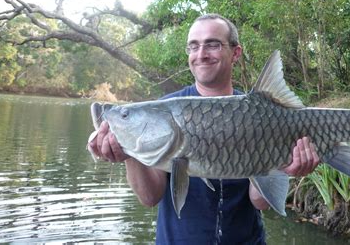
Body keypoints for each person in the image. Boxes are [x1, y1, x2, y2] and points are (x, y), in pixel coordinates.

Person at [88, 13, 320, 244]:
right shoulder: (165, 109)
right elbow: (149, 198)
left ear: (235, 53)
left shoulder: (260, 114)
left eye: (213, 44)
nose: (201, 54)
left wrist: (286, 168)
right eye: (194, 46)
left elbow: (259, 201)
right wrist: (128, 151)